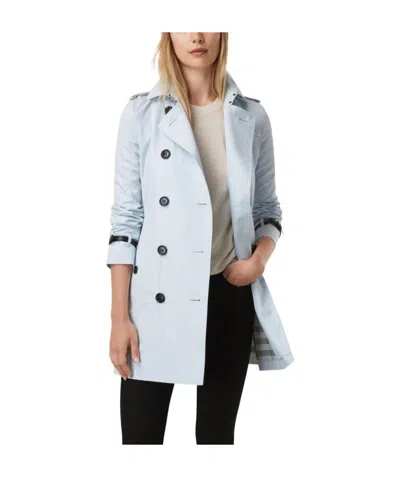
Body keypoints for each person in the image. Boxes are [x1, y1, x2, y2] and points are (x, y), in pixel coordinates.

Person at [106, 32, 294, 445]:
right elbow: (126, 221)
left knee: (216, 440)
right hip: (156, 303)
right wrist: (120, 318)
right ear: (167, 35)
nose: (196, 35)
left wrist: (258, 260)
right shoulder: (141, 114)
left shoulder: (252, 117)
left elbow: (268, 211)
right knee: (140, 440)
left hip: (227, 296)